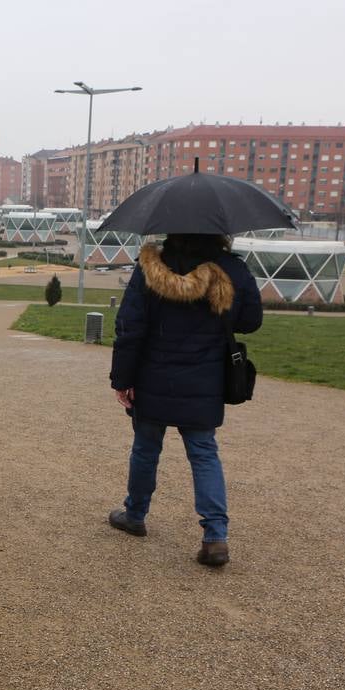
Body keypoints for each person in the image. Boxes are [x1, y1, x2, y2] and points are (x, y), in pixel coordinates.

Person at [108, 234, 263, 567]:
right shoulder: (232, 269)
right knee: (204, 453)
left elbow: (130, 327)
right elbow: (251, 321)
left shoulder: (150, 267)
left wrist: (122, 379)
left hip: (153, 375)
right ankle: (215, 536)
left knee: (146, 448)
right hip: (205, 378)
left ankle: (135, 514)